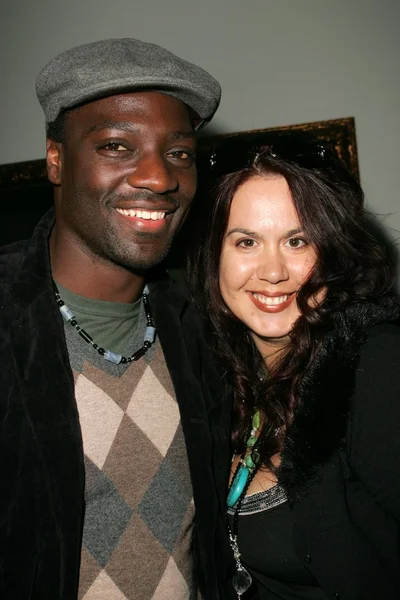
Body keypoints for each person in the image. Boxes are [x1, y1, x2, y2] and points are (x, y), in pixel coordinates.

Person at [0, 38, 233, 600]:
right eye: (116, 147)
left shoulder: (206, 322)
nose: (159, 178)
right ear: (56, 160)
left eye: (178, 152)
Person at [191, 132, 400, 600]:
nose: (272, 271)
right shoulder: (219, 379)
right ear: (214, 257)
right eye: (246, 242)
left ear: (333, 250)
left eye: (297, 240)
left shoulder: (376, 367)